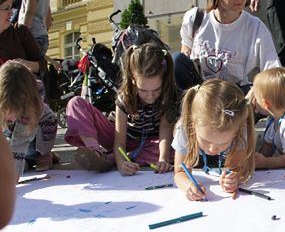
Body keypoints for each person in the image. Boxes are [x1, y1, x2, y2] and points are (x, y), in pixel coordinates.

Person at [64, 43, 179, 176]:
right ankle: (95, 151)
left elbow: (165, 131)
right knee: (76, 103)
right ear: (132, 80)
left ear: (164, 81)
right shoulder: (125, 97)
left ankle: (110, 158)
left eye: (156, 89)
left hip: (150, 143)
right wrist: (121, 164)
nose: (150, 96)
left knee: (178, 149)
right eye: (142, 90)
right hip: (117, 137)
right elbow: (119, 141)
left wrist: (163, 160)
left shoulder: (168, 95)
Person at [173, 0, 279, 95]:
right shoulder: (196, 18)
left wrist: (257, 89)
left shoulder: (255, 27)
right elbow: (184, 54)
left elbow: (272, 69)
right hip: (200, 91)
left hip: (234, 93)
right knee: (176, 59)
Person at [173, 79, 255, 201]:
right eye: (205, 140)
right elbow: (179, 172)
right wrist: (188, 186)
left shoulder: (241, 132)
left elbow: (238, 168)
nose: (212, 149)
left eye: (222, 143)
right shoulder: (184, 128)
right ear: (193, 124)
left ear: (236, 131)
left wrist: (234, 178)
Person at [0, 61, 58, 179]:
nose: (10, 115)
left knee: (23, 153)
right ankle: (28, 160)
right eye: (6, 109)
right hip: (13, 132)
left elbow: (19, 144)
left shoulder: (31, 106)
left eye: (14, 110)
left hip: (39, 132)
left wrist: (11, 181)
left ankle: (43, 155)